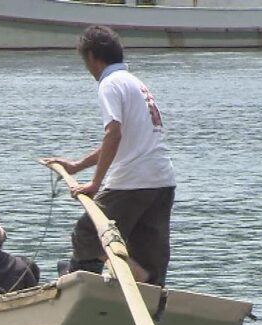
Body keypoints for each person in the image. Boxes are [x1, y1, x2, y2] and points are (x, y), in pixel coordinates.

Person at [45, 25, 176, 286]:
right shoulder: (135, 83)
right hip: (162, 181)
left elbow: (113, 134)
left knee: (87, 235)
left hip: (132, 181)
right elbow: (123, 138)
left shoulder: (110, 84)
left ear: (93, 57)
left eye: (86, 61)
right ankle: (151, 293)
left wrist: (94, 183)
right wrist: (77, 166)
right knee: (147, 252)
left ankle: (124, 281)